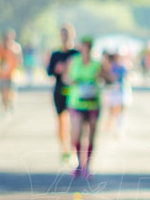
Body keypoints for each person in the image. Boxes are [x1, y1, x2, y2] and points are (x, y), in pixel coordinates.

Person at [64, 37, 114, 178]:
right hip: (76, 103)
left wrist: (103, 74)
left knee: (91, 135)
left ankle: (88, 167)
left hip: (93, 102)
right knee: (76, 134)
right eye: (83, 48)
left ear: (91, 49)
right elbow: (65, 78)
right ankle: (80, 164)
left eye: (88, 48)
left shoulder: (97, 64)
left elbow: (110, 78)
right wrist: (73, 81)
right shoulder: (73, 62)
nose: (86, 51)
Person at [46, 24, 79, 167]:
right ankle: (63, 150)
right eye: (62, 34)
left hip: (74, 92)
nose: (64, 37)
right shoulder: (56, 54)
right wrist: (57, 69)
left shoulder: (76, 54)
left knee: (74, 122)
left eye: (67, 34)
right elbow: (49, 72)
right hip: (59, 90)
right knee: (61, 121)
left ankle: (73, 150)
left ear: (72, 35)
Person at [0, 29, 21, 114]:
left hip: (13, 74)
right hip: (3, 75)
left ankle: (10, 103)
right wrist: (0, 64)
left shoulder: (16, 48)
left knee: (11, 91)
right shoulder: (1, 48)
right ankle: (5, 107)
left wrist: (15, 55)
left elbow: (19, 61)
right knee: (4, 92)